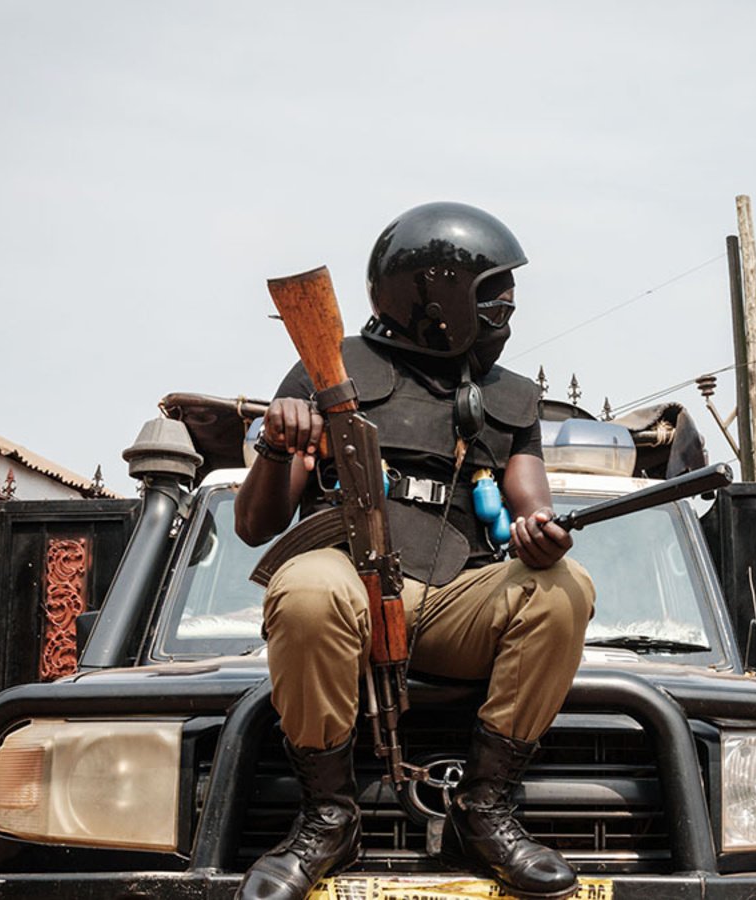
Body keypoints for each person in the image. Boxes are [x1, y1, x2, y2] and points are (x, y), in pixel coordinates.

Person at [232, 202, 596, 900]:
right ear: (439, 296)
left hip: (458, 601)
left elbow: (532, 505)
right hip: (352, 595)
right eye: (493, 296)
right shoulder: (327, 367)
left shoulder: (510, 400)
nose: (507, 312)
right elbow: (256, 525)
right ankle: (329, 817)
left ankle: (484, 809)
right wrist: (278, 450)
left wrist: (541, 540)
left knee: (566, 587)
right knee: (307, 587)